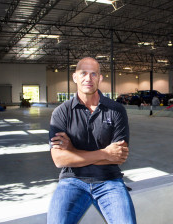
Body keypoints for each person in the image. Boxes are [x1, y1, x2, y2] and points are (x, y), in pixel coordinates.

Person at [47, 57, 136, 224]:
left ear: (100, 78)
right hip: (72, 180)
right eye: (83, 73)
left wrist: (72, 151)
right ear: (75, 77)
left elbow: (118, 157)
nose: (88, 78)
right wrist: (105, 154)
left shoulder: (116, 110)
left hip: (109, 180)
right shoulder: (61, 112)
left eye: (93, 74)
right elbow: (59, 160)